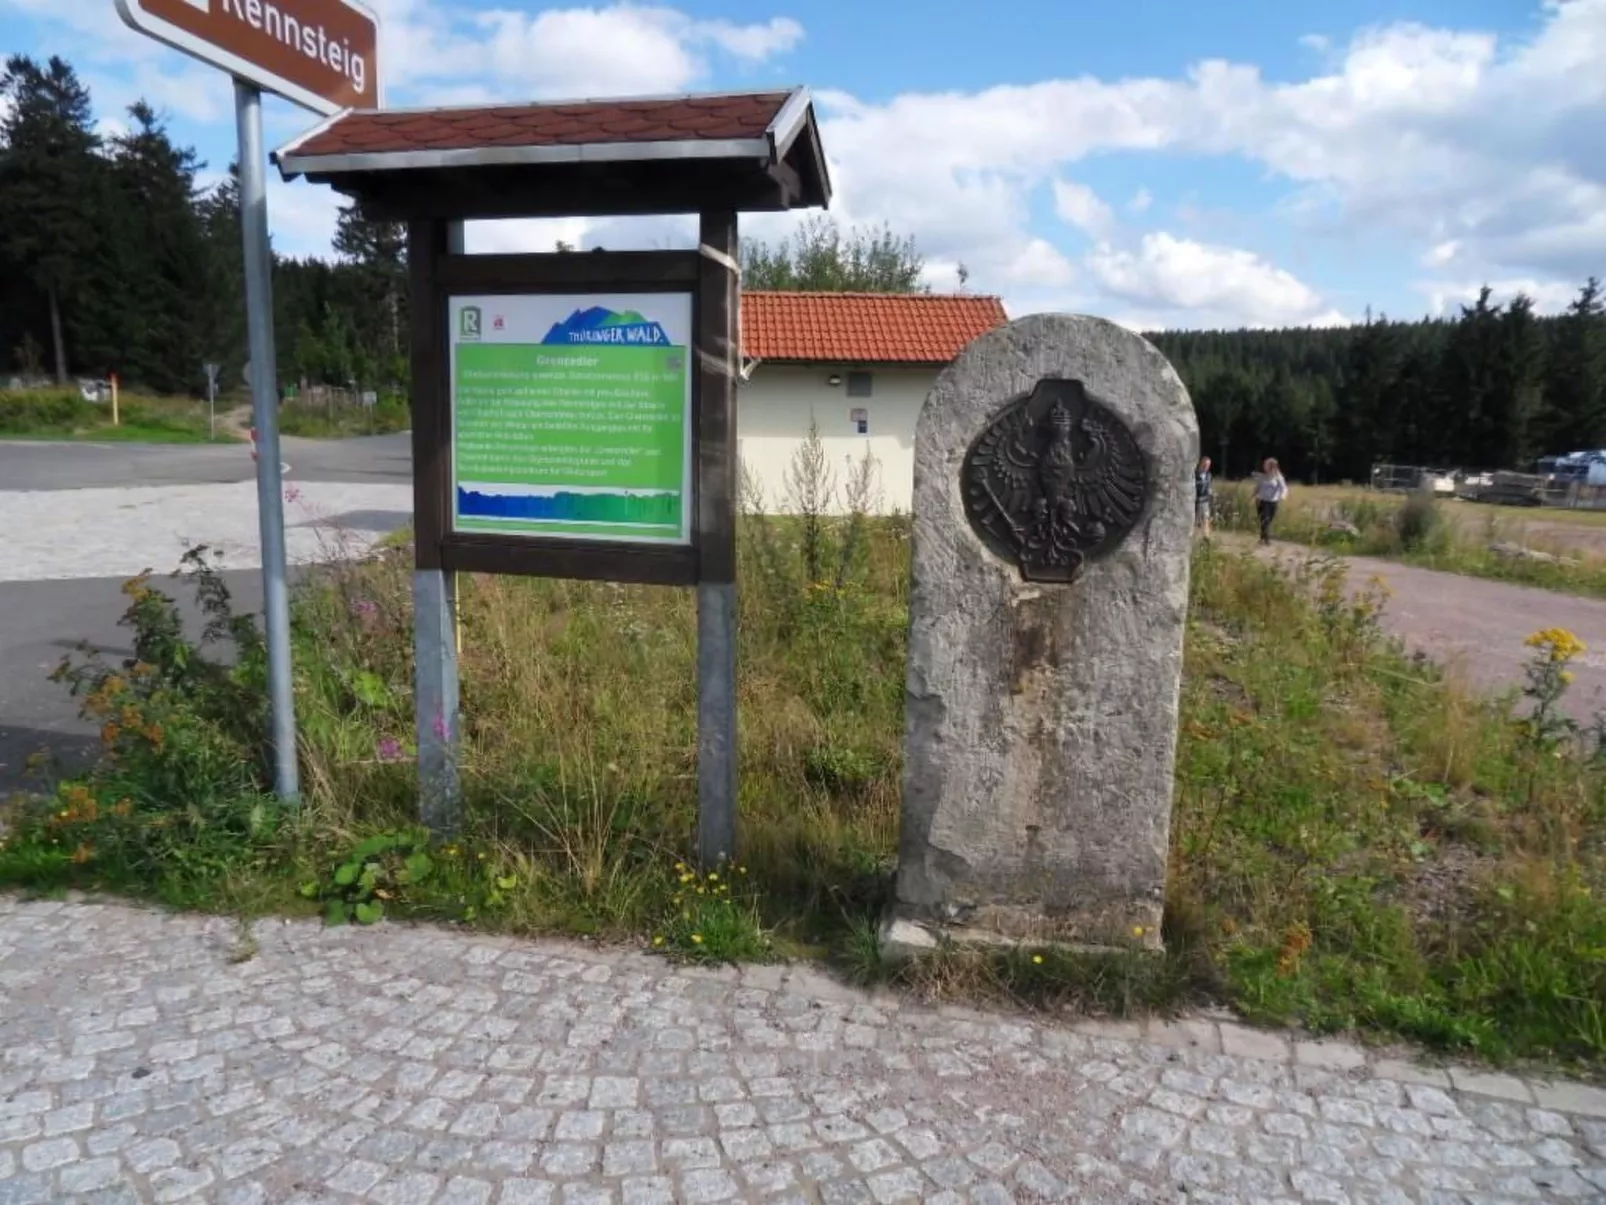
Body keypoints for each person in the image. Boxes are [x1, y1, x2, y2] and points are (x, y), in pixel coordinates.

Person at [1255, 457, 1288, 545]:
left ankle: (1262, 538)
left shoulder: (1278, 477)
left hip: (1273, 502)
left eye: (1266, 465)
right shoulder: (1263, 476)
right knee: (1264, 519)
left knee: (1268, 520)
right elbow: (1258, 487)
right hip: (1262, 501)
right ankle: (1266, 540)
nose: (1264, 466)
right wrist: (1253, 496)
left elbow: (1284, 488)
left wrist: (1283, 496)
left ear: (1272, 466)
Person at [1194, 456, 1214, 537]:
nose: (1206, 467)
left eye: (1208, 465)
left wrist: (1210, 492)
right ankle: (1195, 536)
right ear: (1201, 464)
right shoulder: (1194, 474)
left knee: (1206, 518)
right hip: (1196, 501)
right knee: (1196, 520)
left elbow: (1209, 486)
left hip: (1205, 501)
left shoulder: (1208, 475)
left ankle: (1206, 537)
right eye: (1205, 465)